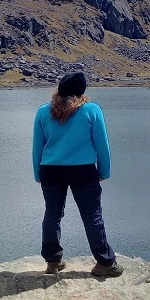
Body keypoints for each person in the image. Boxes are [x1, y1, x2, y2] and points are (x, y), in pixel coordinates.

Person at [32, 71, 122, 277]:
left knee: (52, 215)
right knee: (92, 216)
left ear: (59, 91)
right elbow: (102, 145)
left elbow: (38, 147)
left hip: (51, 171)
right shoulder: (91, 110)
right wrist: (104, 171)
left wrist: (38, 174)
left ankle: (53, 262)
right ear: (82, 91)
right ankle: (105, 263)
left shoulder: (43, 112)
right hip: (83, 170)